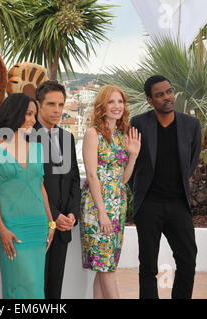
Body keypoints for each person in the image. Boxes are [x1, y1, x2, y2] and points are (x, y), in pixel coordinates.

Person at [129, 75, 201, 299]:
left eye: (169, 92)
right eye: (160, 95)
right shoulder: (139, 123)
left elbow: (191, 162)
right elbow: (132, 161)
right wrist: (140, 191)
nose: (167, 97)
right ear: (150, 100)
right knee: (148, 264)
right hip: (148, 204)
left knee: (188, 259)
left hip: (178, 203)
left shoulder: (191, 124)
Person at [0, 93, 55, 298]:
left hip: (37, 227)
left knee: (36, 285)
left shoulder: (37, 149)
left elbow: (41, 188)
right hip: (12, 227)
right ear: (14, 113)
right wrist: (1, 229)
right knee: (18, 286)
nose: (32, 120)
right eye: (28, 114)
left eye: (34, 115)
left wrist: (51, 223)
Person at [81, 85, 141, 299]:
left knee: (105, 267)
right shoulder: (92, 134)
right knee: (107, 269)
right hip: (98, 209)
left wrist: (133, 155)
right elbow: (91, 175)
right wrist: (102, 212)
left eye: (120, 102)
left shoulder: (123, 136)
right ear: (102, 106)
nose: (117, 106)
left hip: (118, 207)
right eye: (111, 101)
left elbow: (123, 179)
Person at [32, 80, 81, 299]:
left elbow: (74, 181)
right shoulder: (25, 137)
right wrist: (54, 215)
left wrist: (71, 214)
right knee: (34, 290)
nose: (57, 110)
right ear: (38, 105)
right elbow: (30, 184)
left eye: (61, 104)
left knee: (54, 291)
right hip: (38, 225)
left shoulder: (67, 137)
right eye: (51, 104)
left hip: (63, 228)